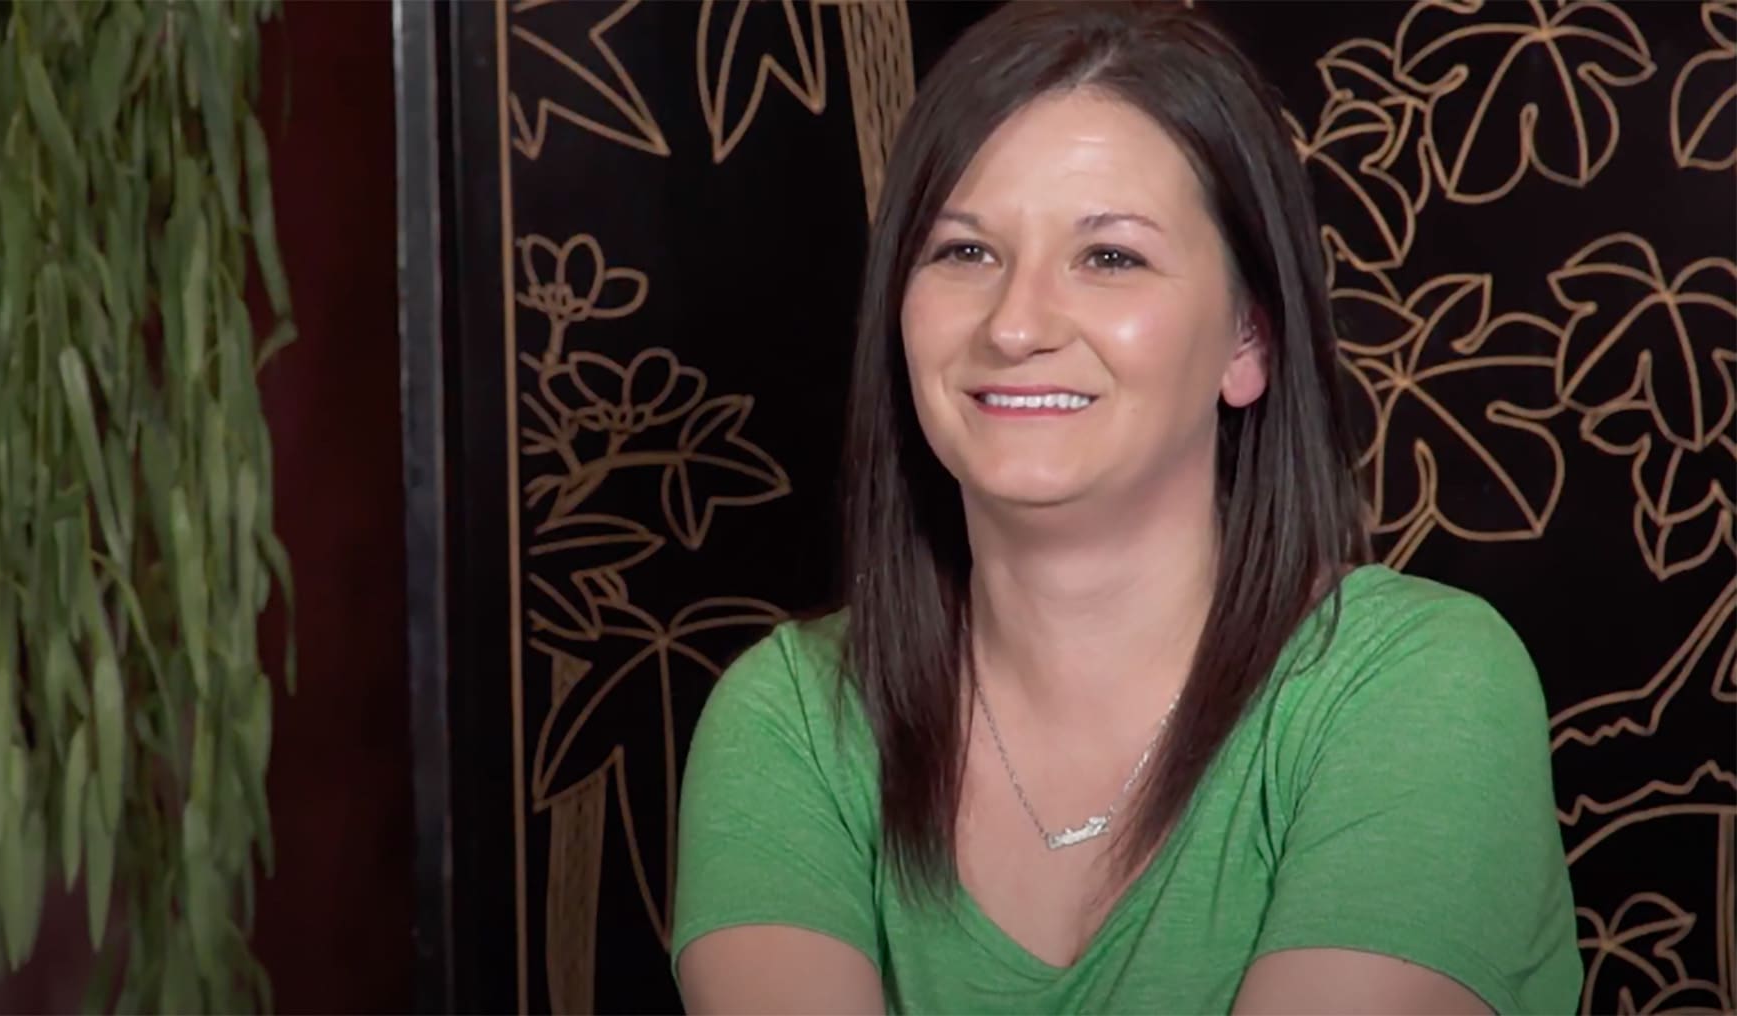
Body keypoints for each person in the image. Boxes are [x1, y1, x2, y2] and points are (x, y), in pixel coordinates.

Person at [668, 2, 1582, 1013]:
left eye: (1109, 257)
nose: (1014, 324)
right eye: (963, 252)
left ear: (1248, 340)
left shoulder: (1416, 684)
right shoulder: (791, 715)